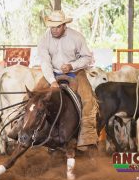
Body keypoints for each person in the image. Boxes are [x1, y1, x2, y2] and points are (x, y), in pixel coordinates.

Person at [37, 10, 98, 151]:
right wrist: (52, 80)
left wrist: (72, 65)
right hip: (51, 72)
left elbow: (87, 57)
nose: (54, 29)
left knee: (88, 99)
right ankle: (28, 131)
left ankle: (86, 138)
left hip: (76, 72)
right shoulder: (44, 39)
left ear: (64, 25)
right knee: (33, 95)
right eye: (52, 26)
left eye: (58, 26)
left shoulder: (76, 37)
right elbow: (45, 62)